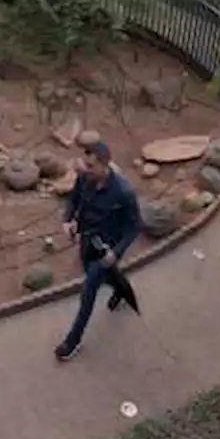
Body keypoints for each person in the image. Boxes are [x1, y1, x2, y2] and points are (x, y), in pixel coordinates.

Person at [55, 140, 141, 362]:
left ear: (105, 165)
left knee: (89, 290)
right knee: (102, 276)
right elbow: (73, 201)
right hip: (87, 241)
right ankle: (121, 289)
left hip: (108, 249)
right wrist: (68, 221)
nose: (86, 168)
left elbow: (134, 227)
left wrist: (117, 251)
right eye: (86, 163)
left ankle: (73, 341)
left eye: (91, 165)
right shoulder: (85, 179)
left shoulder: (123, 193)